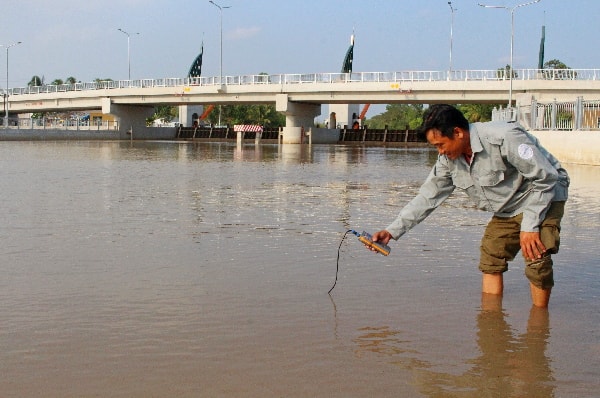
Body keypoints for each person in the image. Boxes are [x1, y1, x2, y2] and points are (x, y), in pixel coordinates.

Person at [369, 104, 569, 308]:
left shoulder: (504, 137)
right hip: (507, 206)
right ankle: (491, 319)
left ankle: (539, 323)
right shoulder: (448, 160)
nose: (440, 152)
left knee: (536, 255)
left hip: (544, 193)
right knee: (491, 259)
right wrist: (392, 231)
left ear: (458, 132)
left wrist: (530, 226)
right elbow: (427, 197)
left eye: (441, 145)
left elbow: (546, 178)